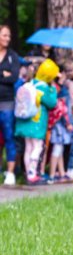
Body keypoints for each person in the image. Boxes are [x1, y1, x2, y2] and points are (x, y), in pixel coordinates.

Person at [14, 59, 58, 184]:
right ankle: (33, 174)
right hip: (37, 122)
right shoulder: (44, 88)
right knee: (37, 146)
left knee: (28, 147)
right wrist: (53, 90)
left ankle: (29, 174)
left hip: (25, 121)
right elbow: (52, 103)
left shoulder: (30, 83)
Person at [0, 25, 21, 185]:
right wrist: (3, 73)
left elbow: (13, 77)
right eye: (4, 35)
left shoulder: (13, 56)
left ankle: (11, 173)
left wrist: (5, 75)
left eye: (9, 36)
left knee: (9, 137)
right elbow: (6, 76)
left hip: (7, 103)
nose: (7, 38)